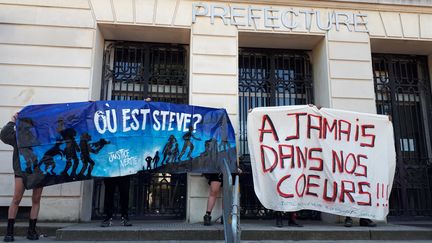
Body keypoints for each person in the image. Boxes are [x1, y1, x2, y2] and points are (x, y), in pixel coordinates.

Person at [1, 113, 44, 241]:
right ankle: (9, 232)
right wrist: (12, 121)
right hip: (21, 171)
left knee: (36, 200)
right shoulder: (18, 138)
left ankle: (31, 231)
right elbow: (3, 135)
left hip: (37, 171)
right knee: (16, 199)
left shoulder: (42, 138)